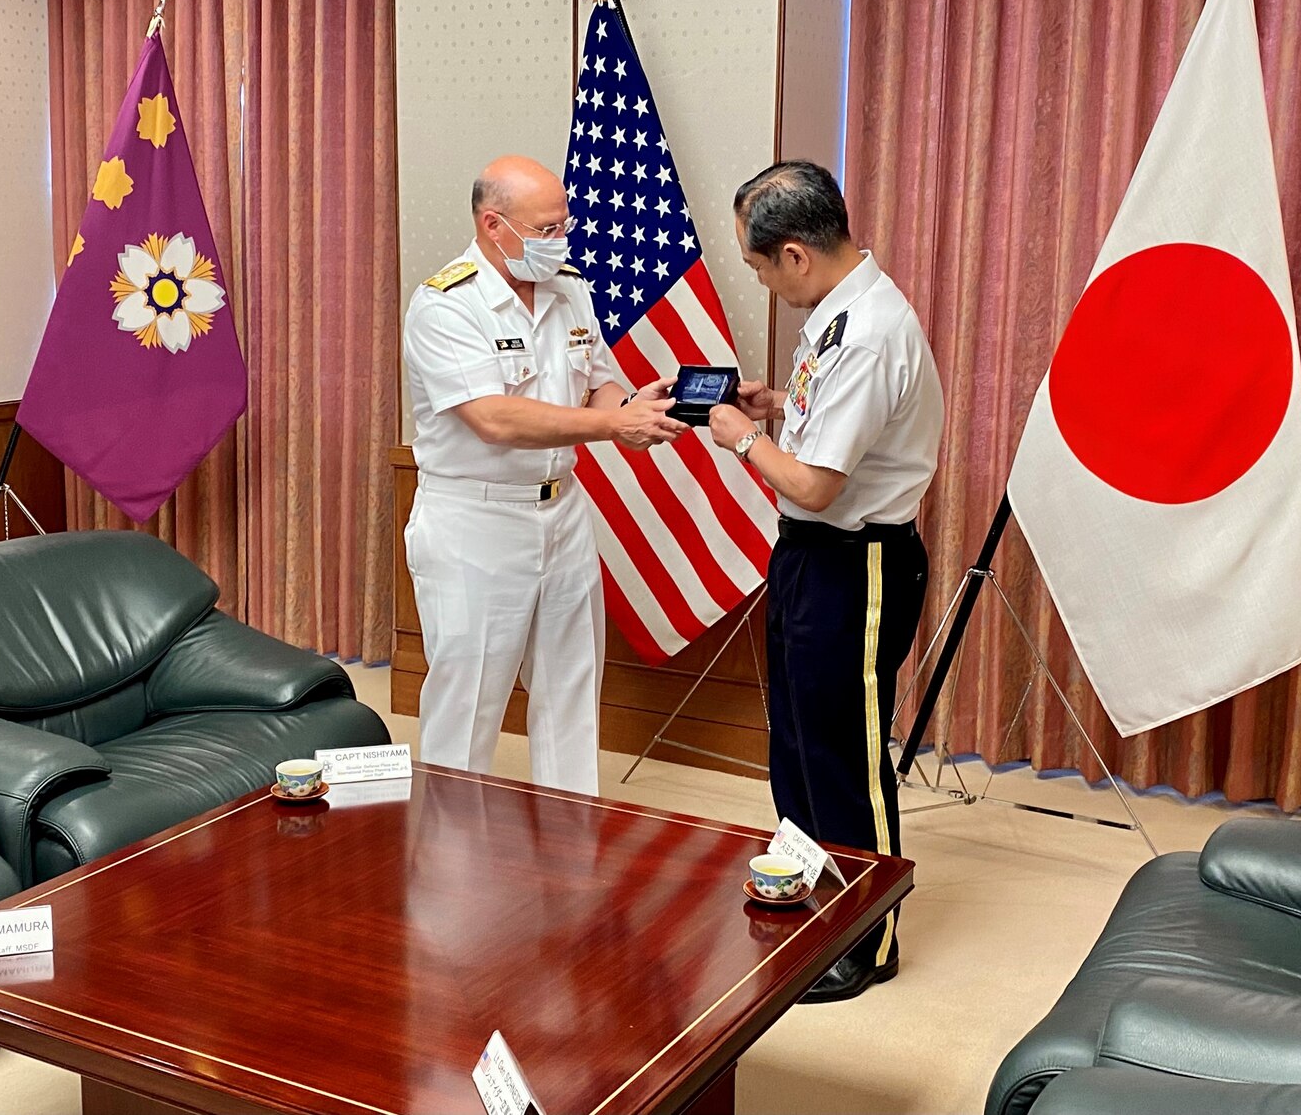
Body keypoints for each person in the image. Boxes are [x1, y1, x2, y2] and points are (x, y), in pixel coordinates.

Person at [709, 160, 944, 1001]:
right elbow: (826, 437)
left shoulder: (872, 330)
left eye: (761, 267)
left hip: (860, 560)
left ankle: (866, 937)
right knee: (800, 740)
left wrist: (740, 437)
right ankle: (814, 895)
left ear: (797, 254)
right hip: (813, 555)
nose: (764, 283)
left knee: (846, 753)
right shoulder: (838, 314)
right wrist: (780, 410)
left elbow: (813, 484)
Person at [402, 155, 685, 795]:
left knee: (571, 689)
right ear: (493, 224)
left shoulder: (568, 287)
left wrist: (634, 411)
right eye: (546, 229)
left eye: (564, 226)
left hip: (563, 516)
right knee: (470, 698)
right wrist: (612, 427)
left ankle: (568, 850)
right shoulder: (445, 304)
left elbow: (597, 382)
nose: (561, 240)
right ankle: (451, 868)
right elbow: (494, 418)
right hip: (476, 521)